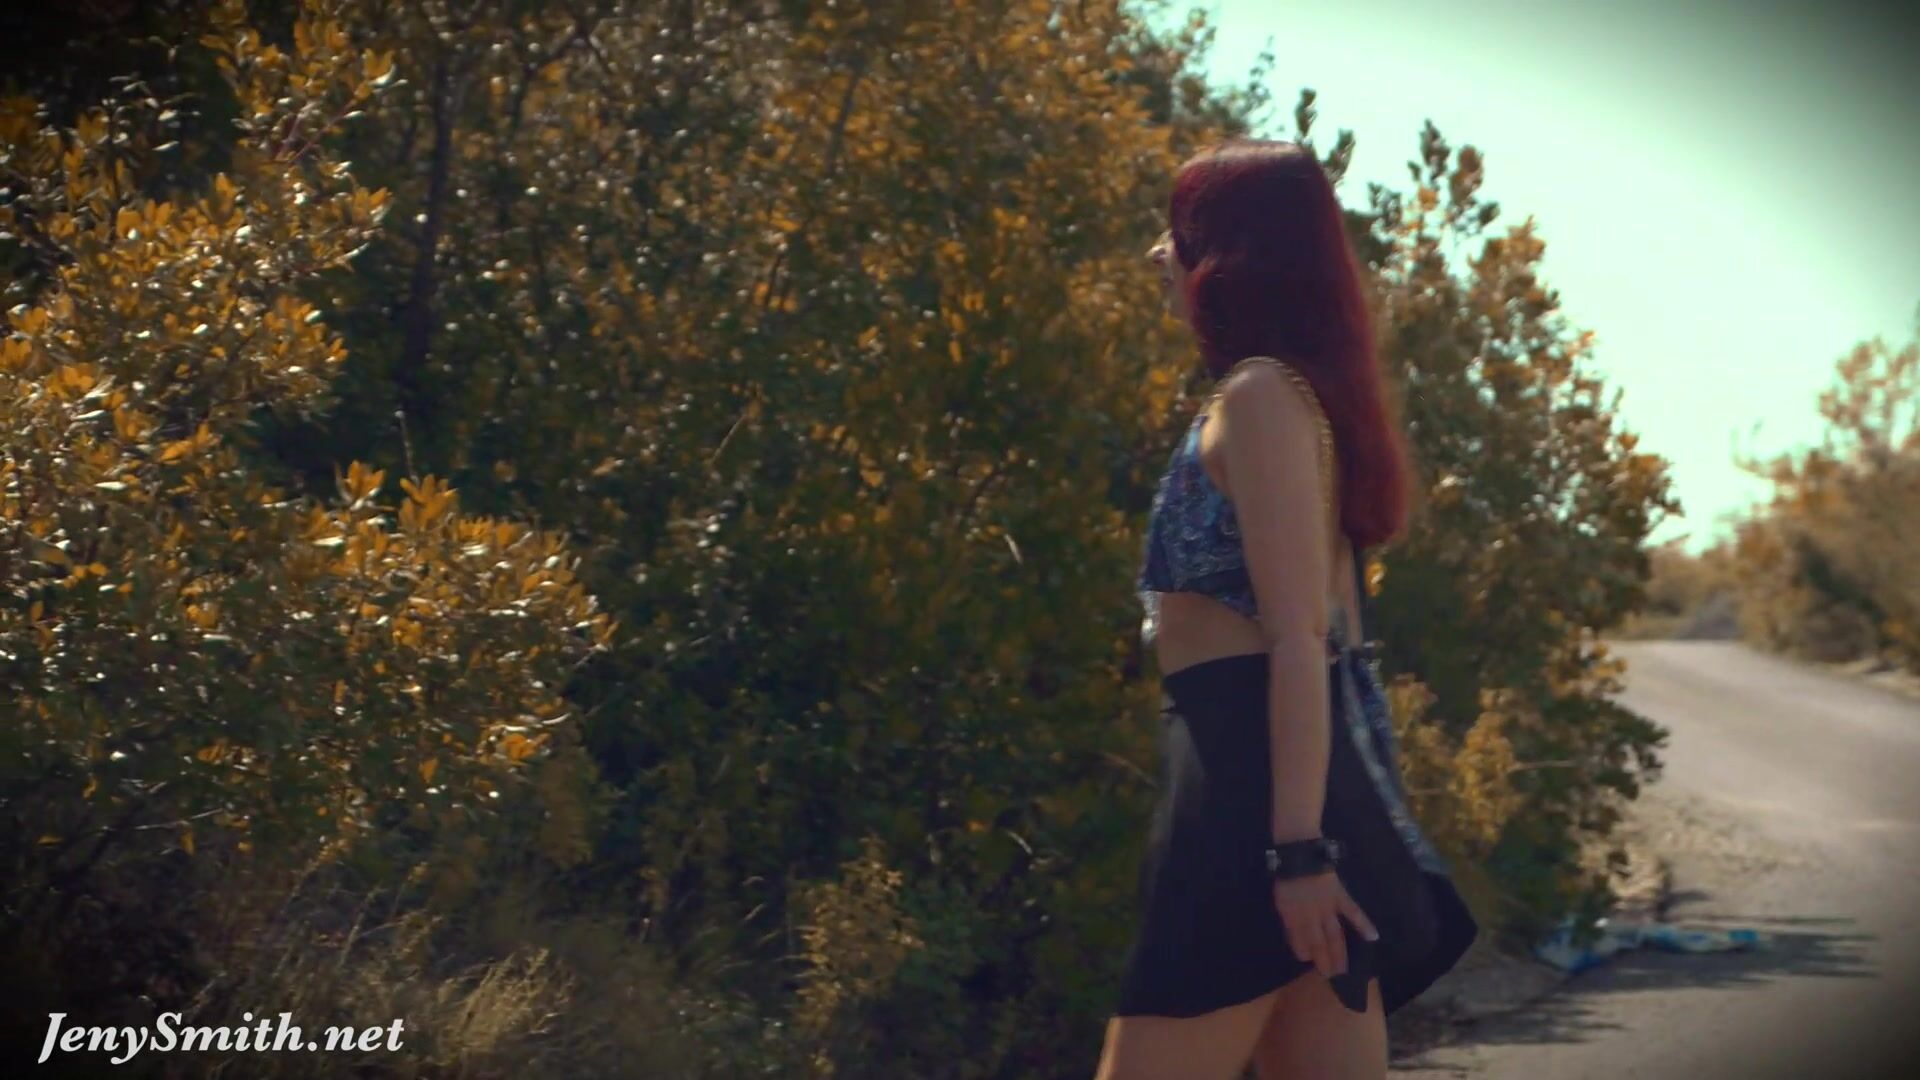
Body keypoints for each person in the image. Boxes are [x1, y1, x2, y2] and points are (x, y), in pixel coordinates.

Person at [1094, 139, 1477, 1080]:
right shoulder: (1292, 396)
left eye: (1179, 231)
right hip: (1276, 789)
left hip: (1249, 797)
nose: (1159, 253)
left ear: (1228, 256)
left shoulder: (1263, 395)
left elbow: (1302, 640)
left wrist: (1299, 855)